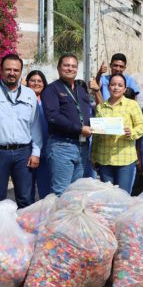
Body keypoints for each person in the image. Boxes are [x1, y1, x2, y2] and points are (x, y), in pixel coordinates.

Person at [0, 54, 42, 208]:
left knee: (25, 198)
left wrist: (36, 152)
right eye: (8, 69)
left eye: (16, 70)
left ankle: (25, 230)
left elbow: (35, 126)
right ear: (1, 71)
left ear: (21, 72)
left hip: (23, 152)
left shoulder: (29, 94)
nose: (12, 73)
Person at [41, 55, 94, 196]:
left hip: (82, 146)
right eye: (66, 65)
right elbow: (53, 116)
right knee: (61, 193)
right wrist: (80, 129)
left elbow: (87, 112)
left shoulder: (81, 89)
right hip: (62, 146)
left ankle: (70, 218)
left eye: (73, 66)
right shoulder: (51, 90)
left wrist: (98, 126)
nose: (70, 68)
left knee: (75, 193)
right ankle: (58, 219)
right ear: (58, 68)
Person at [91, 73, 143, 194]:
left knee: (123, 195)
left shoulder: (132, 105)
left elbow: (141, 127)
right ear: (108, 87)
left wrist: (131, 132)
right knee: (108, 195)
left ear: (125, 89)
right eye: (113, 84)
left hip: (124, 158)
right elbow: (96, 135)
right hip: (104, 158)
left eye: (120, 85)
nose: (116, 88)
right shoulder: (101, 108)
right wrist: (93, 156)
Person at [26, 70, 51, 199]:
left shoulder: (49, 101)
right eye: (33, 80)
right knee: (27, 187)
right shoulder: (23, 100)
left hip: (46, 148)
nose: (36, 83)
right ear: (27, 82)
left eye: (39, 81)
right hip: (27, 149)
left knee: (45, 187)